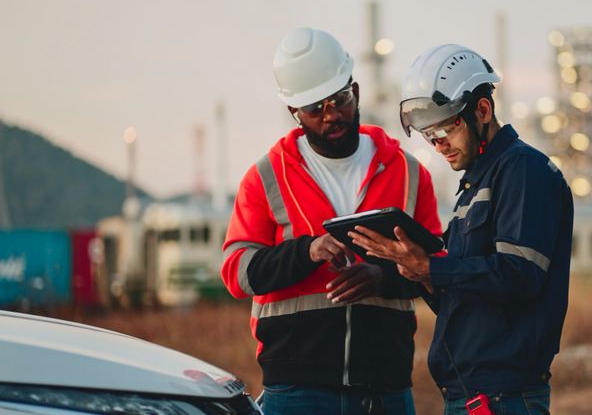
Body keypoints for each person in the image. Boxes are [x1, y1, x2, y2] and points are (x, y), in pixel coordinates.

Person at [220, 27, 442, 415]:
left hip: (384, 388)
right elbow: (236, 272)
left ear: (355, 92)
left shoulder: (408, 173)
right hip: (296, 391)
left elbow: (437, 269)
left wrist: (384, 278)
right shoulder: (267, 177)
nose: (331, 115)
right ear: (295, 113)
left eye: (339, 100)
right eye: (315, 108)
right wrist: (307, 251)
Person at [350, 44, 573, 415]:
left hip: (505, 398)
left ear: (482, 110)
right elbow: (465, 296)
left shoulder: (522, 172)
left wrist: (431, 268)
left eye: (442, 130)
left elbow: (520, 276)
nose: (438, 146)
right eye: (428, 136)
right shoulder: (473, 186)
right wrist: (413, 270)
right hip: (472, 396)